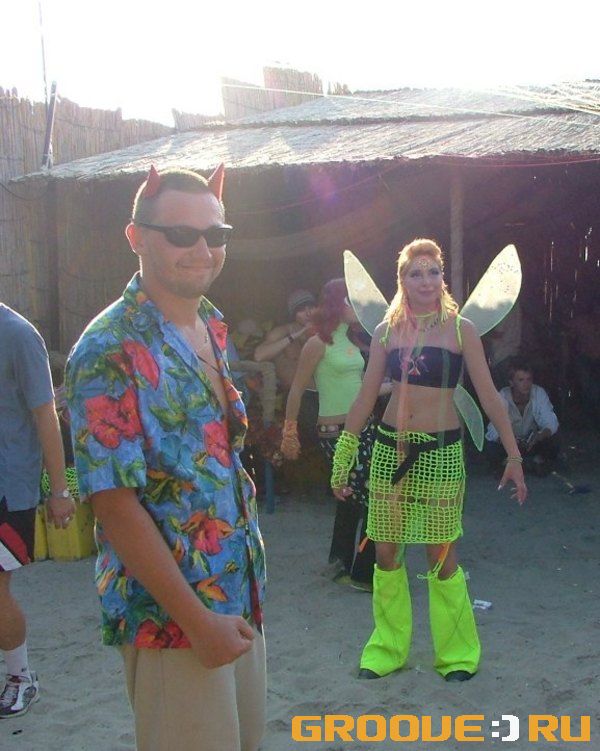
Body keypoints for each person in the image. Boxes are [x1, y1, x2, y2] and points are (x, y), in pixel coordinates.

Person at [66, 165, 266, 751]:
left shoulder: (210, 323)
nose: (202, 249)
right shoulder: (107, 348)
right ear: (136, 237)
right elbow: (113, 504)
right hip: (174, 620)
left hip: (238, 596)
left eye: (216, 234)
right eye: (181, 234)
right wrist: (196, 622)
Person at [331, 238, 527, 682]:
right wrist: (344, 455)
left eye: (433, 272)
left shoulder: (461, 331)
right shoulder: (386, 332)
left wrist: (513, 454)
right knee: (385, 553)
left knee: (441, 553)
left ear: (443, 278)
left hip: (441, 455)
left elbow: (490, 397)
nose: (426, 281)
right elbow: (365, 397)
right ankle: (387, 648)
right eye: (415, 273)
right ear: (402, 280)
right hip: (389, 451)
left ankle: (457, 654)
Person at [281, 279, 382, 591]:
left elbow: (362, 388)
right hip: (335, 432)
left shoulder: (353, 343)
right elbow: (297, 389)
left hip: (364, 427)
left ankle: (340, 562)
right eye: (352, 301)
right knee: (372, 497)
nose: (357, 307)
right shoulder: (317, 344)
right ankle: (363, 573)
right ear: (338, 304)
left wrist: (398, 386)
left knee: (352, 496)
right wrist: (289, 431)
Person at [0, 304, 75, 719]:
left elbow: (46, 415)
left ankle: (20, 677)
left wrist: (59, 490)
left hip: (7, 487)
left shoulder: (17, 335)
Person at [485, 358, 560, 476]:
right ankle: (523, 463)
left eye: (529, 379)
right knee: (491, 447)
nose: (526, 384)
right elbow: (493, 430)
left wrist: (539, 436)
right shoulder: (502, 396)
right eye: (521, 380)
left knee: (553, 440)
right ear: (511, 382)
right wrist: (509, 441)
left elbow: (551, 421)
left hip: (532, 442)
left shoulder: (538, 392)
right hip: (509, 444)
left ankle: (531, 462)